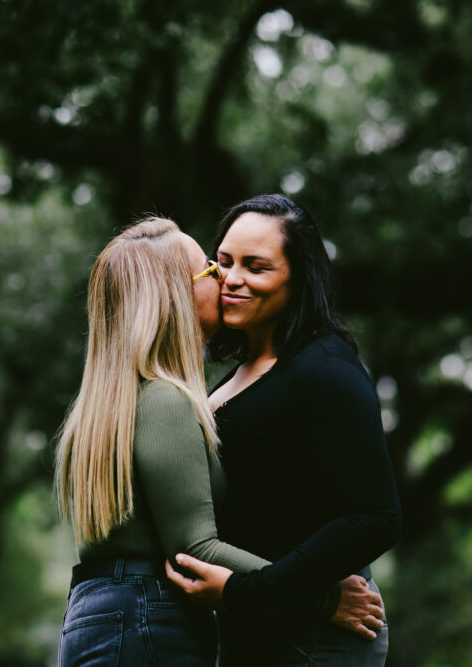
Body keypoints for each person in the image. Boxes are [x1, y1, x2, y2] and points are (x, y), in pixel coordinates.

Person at [55, 217, 381, 667]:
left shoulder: (115, 401)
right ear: (175, 293)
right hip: (147, 618)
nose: (226, 278)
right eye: (212, 267)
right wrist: (322, 597)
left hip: (103, 614)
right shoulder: (165, 400)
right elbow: (196, 548)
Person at [165, 194, 402, 666]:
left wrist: (247, 590)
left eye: (256, 267)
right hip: (261, 628)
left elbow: (375, 517)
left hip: (314, 637)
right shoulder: (241, 372)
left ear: (298, 277)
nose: (232, 280)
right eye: (224, 262)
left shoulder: (325, 368)